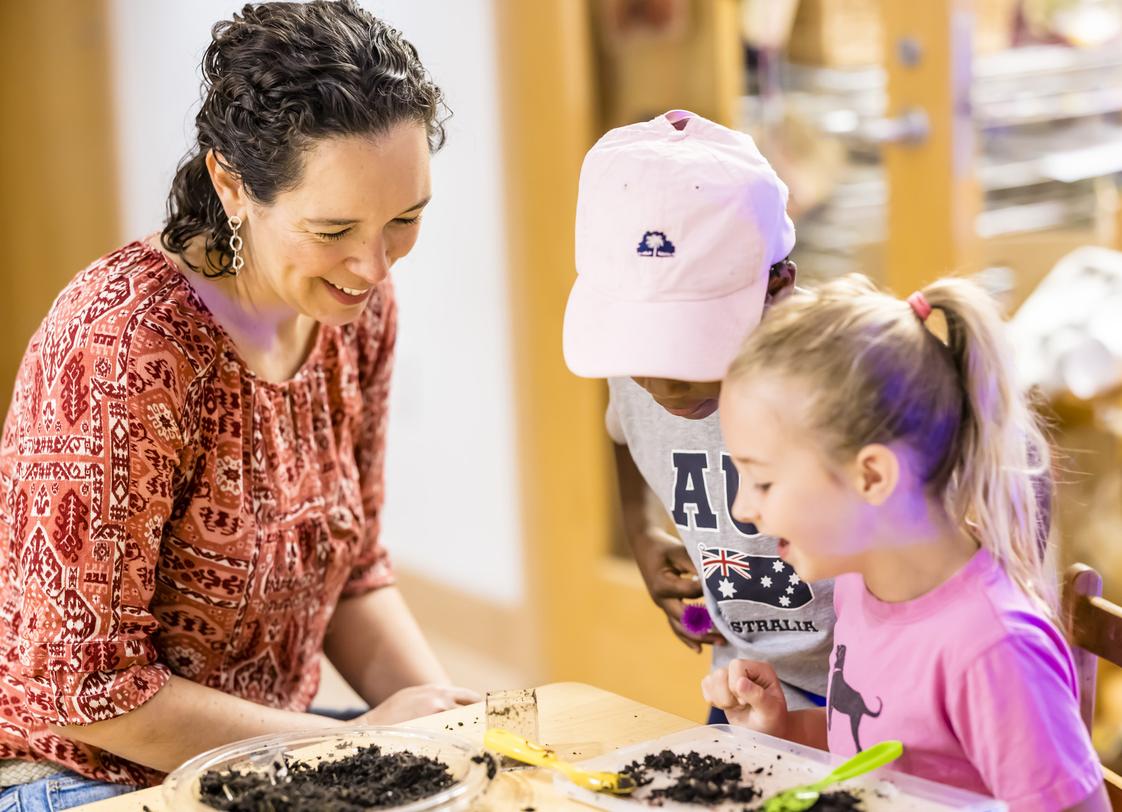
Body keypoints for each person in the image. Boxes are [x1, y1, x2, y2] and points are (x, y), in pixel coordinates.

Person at [0, 2, 477, 807]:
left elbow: (353, 573)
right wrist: (362, 739)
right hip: (79, 771)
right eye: (333, 229)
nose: (373, 265)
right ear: (232, 183)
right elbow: (88, 692)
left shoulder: (352, 312)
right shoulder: (124, 346)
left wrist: (452, 731)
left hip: (265, 752)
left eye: (405, 218)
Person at [704, 275, 1107, 809]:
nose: (741, 509)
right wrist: (779, 728)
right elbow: (879, 752)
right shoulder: (859, 585)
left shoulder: (993, 650)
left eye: (763, 481)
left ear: (871, 477)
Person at [562, 109, 834, 719]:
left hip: (869, 690)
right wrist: (639, 530)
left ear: (779, 286)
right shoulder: (631, 365)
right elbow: (621, 433)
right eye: (641, 346)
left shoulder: (839, 371)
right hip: (746, 683)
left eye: (690, 344)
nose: (659, 380)